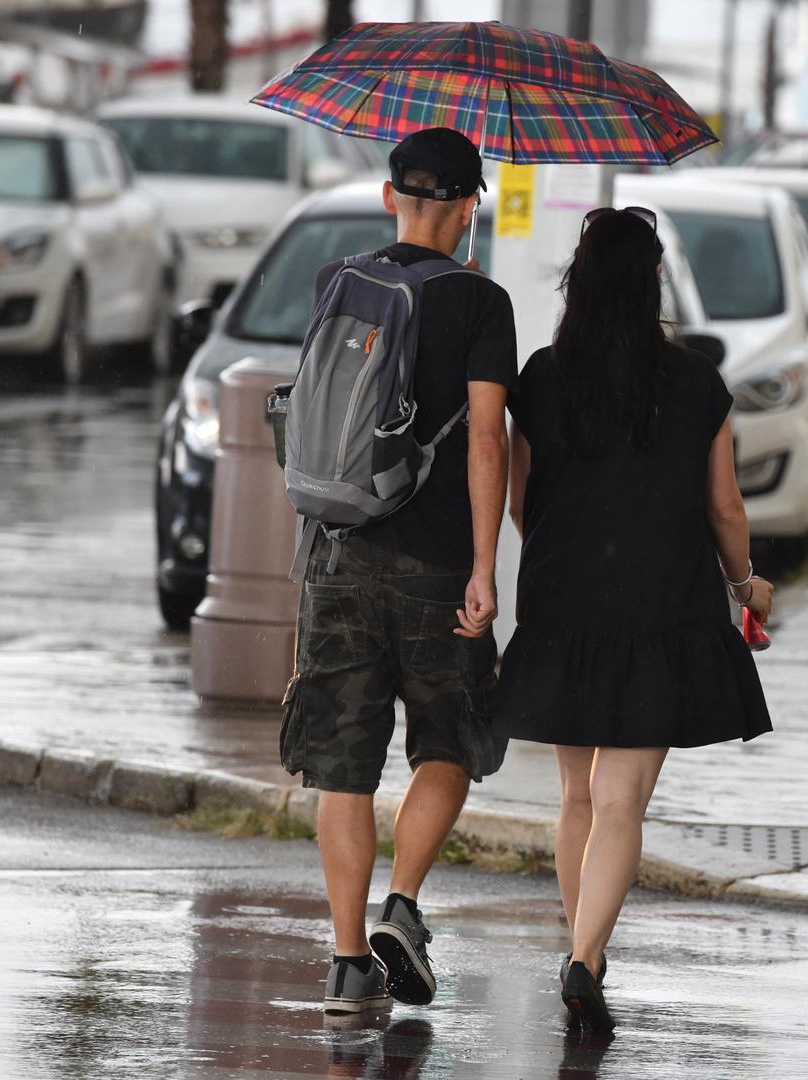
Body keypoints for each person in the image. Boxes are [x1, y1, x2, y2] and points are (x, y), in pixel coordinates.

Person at [493, 206, 774, 1030]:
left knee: (576, 795)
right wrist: (746, 582)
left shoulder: (542, 376)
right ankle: (584, 960)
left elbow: (522, 502)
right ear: (652, 279)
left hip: (562, 601)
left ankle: (584, 950)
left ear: (577, 282)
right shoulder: (694, 384)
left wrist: (563, 561)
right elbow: (723, 508)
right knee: (622, 802)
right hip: (659, 605)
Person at [278, 127, 516, 1015]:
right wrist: (486, 565)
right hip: (435, 562)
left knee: (342, 763)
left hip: (334, 552)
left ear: (390, 197)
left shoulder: (337, 281)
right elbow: (487, 436)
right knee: (452, 739)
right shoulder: (481, 302)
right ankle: (402, 907)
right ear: (467, 207)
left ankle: (346, 965)